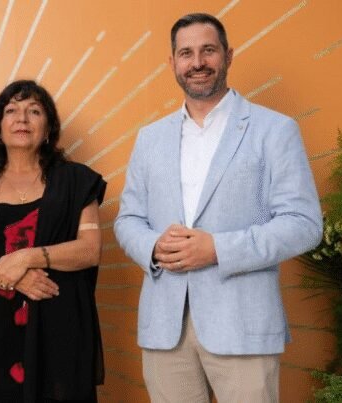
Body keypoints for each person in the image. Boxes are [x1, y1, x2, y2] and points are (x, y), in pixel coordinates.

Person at [114, 13, 323, 403]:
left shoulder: (275, 130)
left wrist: (218, 249)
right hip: (165, 327)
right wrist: (154, 247)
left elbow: (304, 223)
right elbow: (129, 219)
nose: (197, 62)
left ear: (228, 55)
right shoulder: (150, 138)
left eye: (208, 50)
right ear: (172, 62)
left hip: (243, 325)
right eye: (186, 53)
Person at [0, 80, 106, 403]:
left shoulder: (75, 180)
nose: (22, 118)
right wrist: (12, 276)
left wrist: (27, 258)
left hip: (63, 323)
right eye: (11, 111)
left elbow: (90, 251)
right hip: (2, 330)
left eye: (34, 111)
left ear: (48, 128)